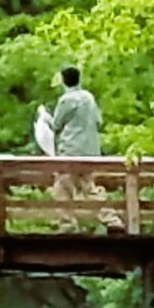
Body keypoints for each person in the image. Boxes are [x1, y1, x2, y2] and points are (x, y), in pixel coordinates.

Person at [46, 65, 115, 231]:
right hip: (90, 150)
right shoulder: (88, 98)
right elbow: (99, 121)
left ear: (63, 80)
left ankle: (67, 223)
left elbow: (56, 125)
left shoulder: (66, 100)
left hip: (70, 150)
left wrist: (44, 117)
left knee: (62, 186)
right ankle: (112, 220)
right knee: (89, 187)